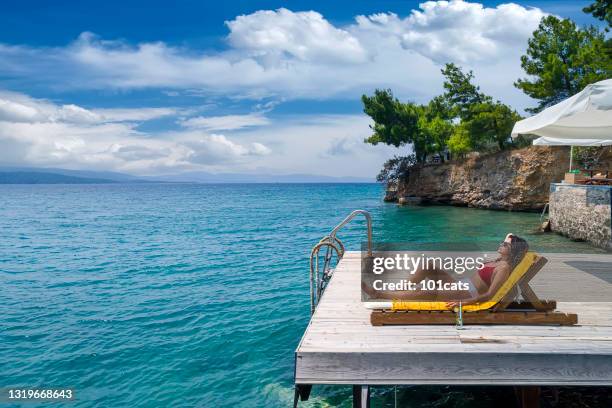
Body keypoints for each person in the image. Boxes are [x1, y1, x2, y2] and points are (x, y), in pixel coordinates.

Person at [362, 234, 529, 307]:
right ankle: (399, 290)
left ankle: (377, 294)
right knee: (428, 264)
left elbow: (490, 296)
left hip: (466, 294)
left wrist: (464, 303)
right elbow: (510, 236)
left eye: (505, 244)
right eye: (502, 242)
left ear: (513, 250)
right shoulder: (499, 260)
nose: (501, 244)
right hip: (461, 285)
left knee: (428, 292)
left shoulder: (504, 268)